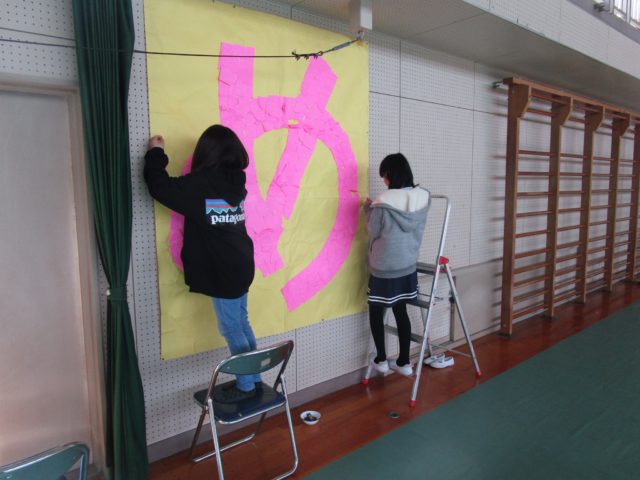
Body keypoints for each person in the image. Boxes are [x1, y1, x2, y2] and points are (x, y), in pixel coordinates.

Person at [144, 124, 261, 402]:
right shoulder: (236, 181)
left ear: (206, 152)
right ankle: (254, 378)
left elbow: (160, 187)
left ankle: (246, 386)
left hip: (223, 269)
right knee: (241, 322)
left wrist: (156, 153)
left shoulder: (201, 186)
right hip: (242, 262)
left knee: (231, 327)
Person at [364, 153, 430, 376]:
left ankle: (381, 360)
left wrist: (368, 210)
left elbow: (373, 231)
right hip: (407, 266)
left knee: (376, 310)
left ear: (391, 174)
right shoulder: (422, 197)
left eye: (384, 175)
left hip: (384, 268)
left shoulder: (383, 201)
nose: (384, 180)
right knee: (401, 310)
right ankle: (404, 362)